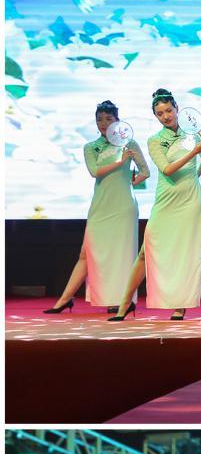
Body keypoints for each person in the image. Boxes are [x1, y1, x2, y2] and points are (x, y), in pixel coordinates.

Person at [109, 88, 201, 321]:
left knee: (185, 252)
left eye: (168, 111)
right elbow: (167, 169)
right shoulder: (155, 140)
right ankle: (125, 303)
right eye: (160, 113)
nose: (166, 116)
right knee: (146, 252)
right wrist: (194, 153)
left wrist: (192, 179)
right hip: (166, 200)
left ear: (177, 108)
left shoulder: (193, 132)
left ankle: (180, 305)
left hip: (190, 200)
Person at [45, 100, 150, 314]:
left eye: (108, 119)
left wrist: (129, 183)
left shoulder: (130, 143)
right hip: (101, 206)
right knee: (86, 253)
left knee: (123, 254)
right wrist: (120, 162)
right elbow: (94, 171)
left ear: (117, 121)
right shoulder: (91, 147)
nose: (103, 123)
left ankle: (121, 300)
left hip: (123, 206)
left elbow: (145, 172)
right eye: (99, 119)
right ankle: (65, 299)